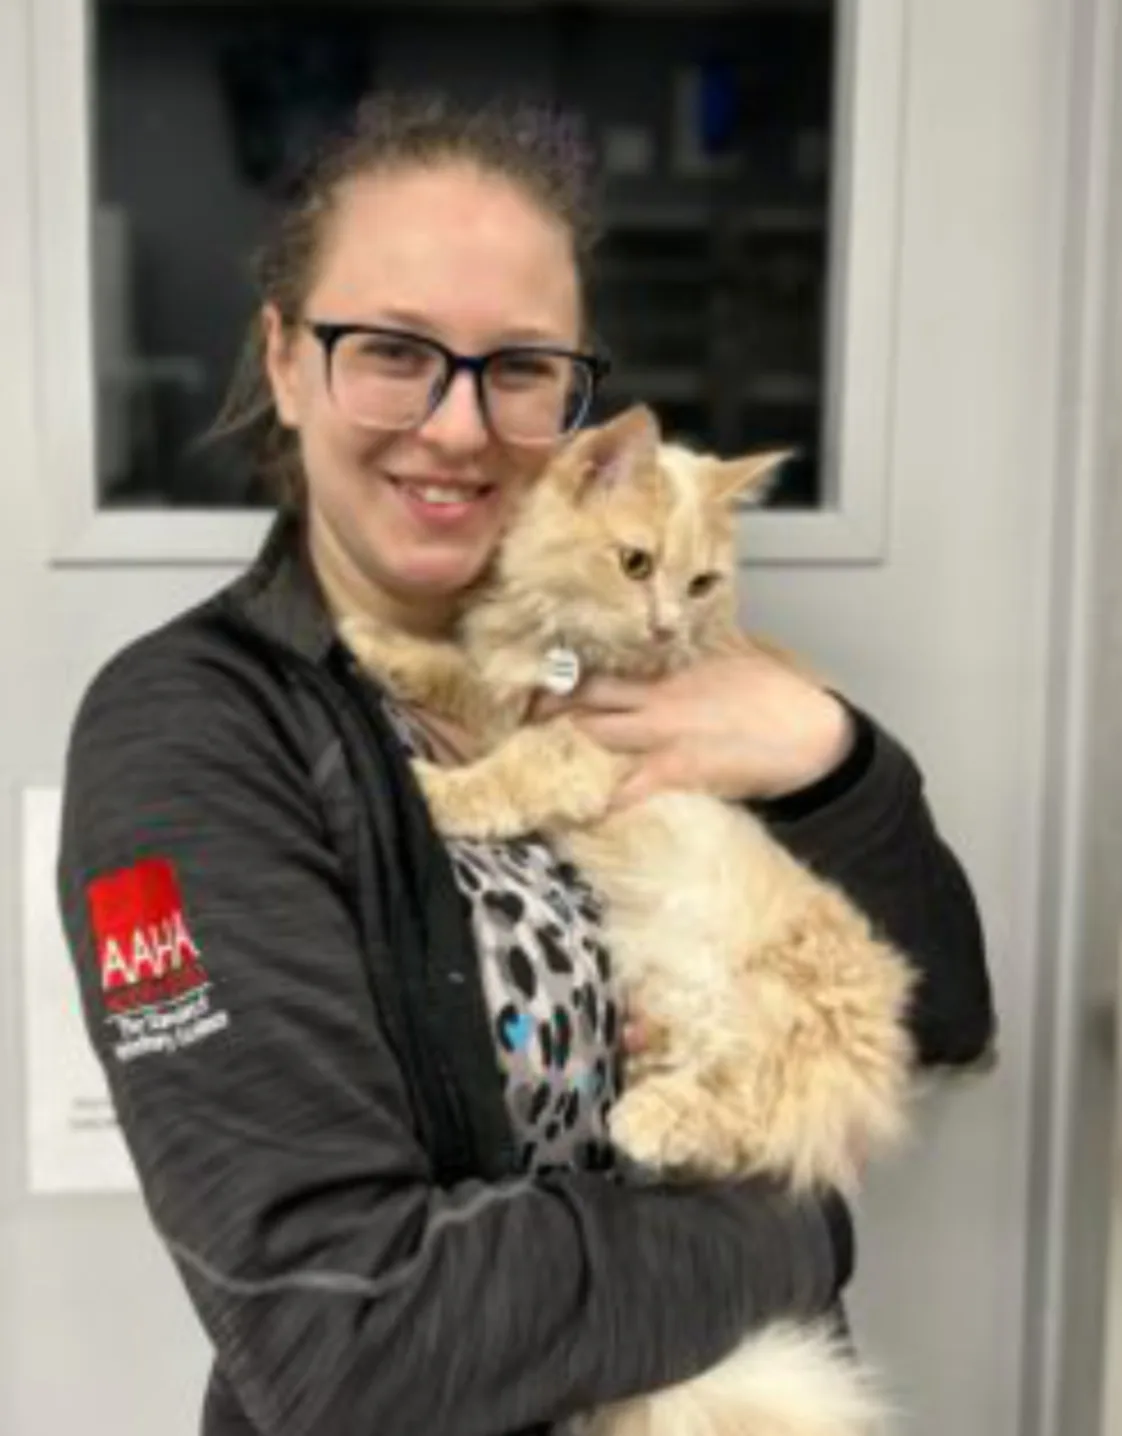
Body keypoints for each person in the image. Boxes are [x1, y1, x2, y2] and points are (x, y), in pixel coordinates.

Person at [57, 93, 995, 1436]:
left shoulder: (659, 660)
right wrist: (797, 1233)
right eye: (392, 351)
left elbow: (941, 1017)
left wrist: (830, 761)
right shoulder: (190, 733)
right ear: (286, 361)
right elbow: (345, 1341)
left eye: (517, 368)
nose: (457, 426)